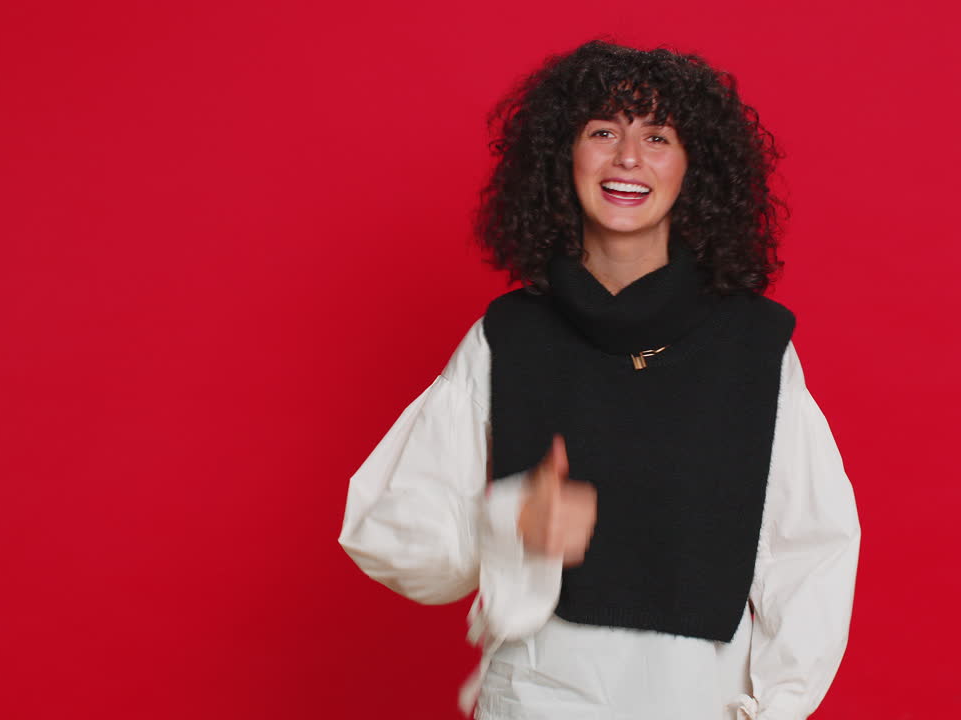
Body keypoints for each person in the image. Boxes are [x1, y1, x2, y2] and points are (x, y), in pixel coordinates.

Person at [338, 39, 861, 720]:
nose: (628, 158)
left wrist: (777, 707)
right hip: (536, 696)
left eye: (658, 136)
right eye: (603, 131)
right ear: (565, 156)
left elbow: (811, 550)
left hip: (699, 700)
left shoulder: (753, 347)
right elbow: (386, 530)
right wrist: (510, 525)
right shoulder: (508, 337)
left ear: (693, 168)